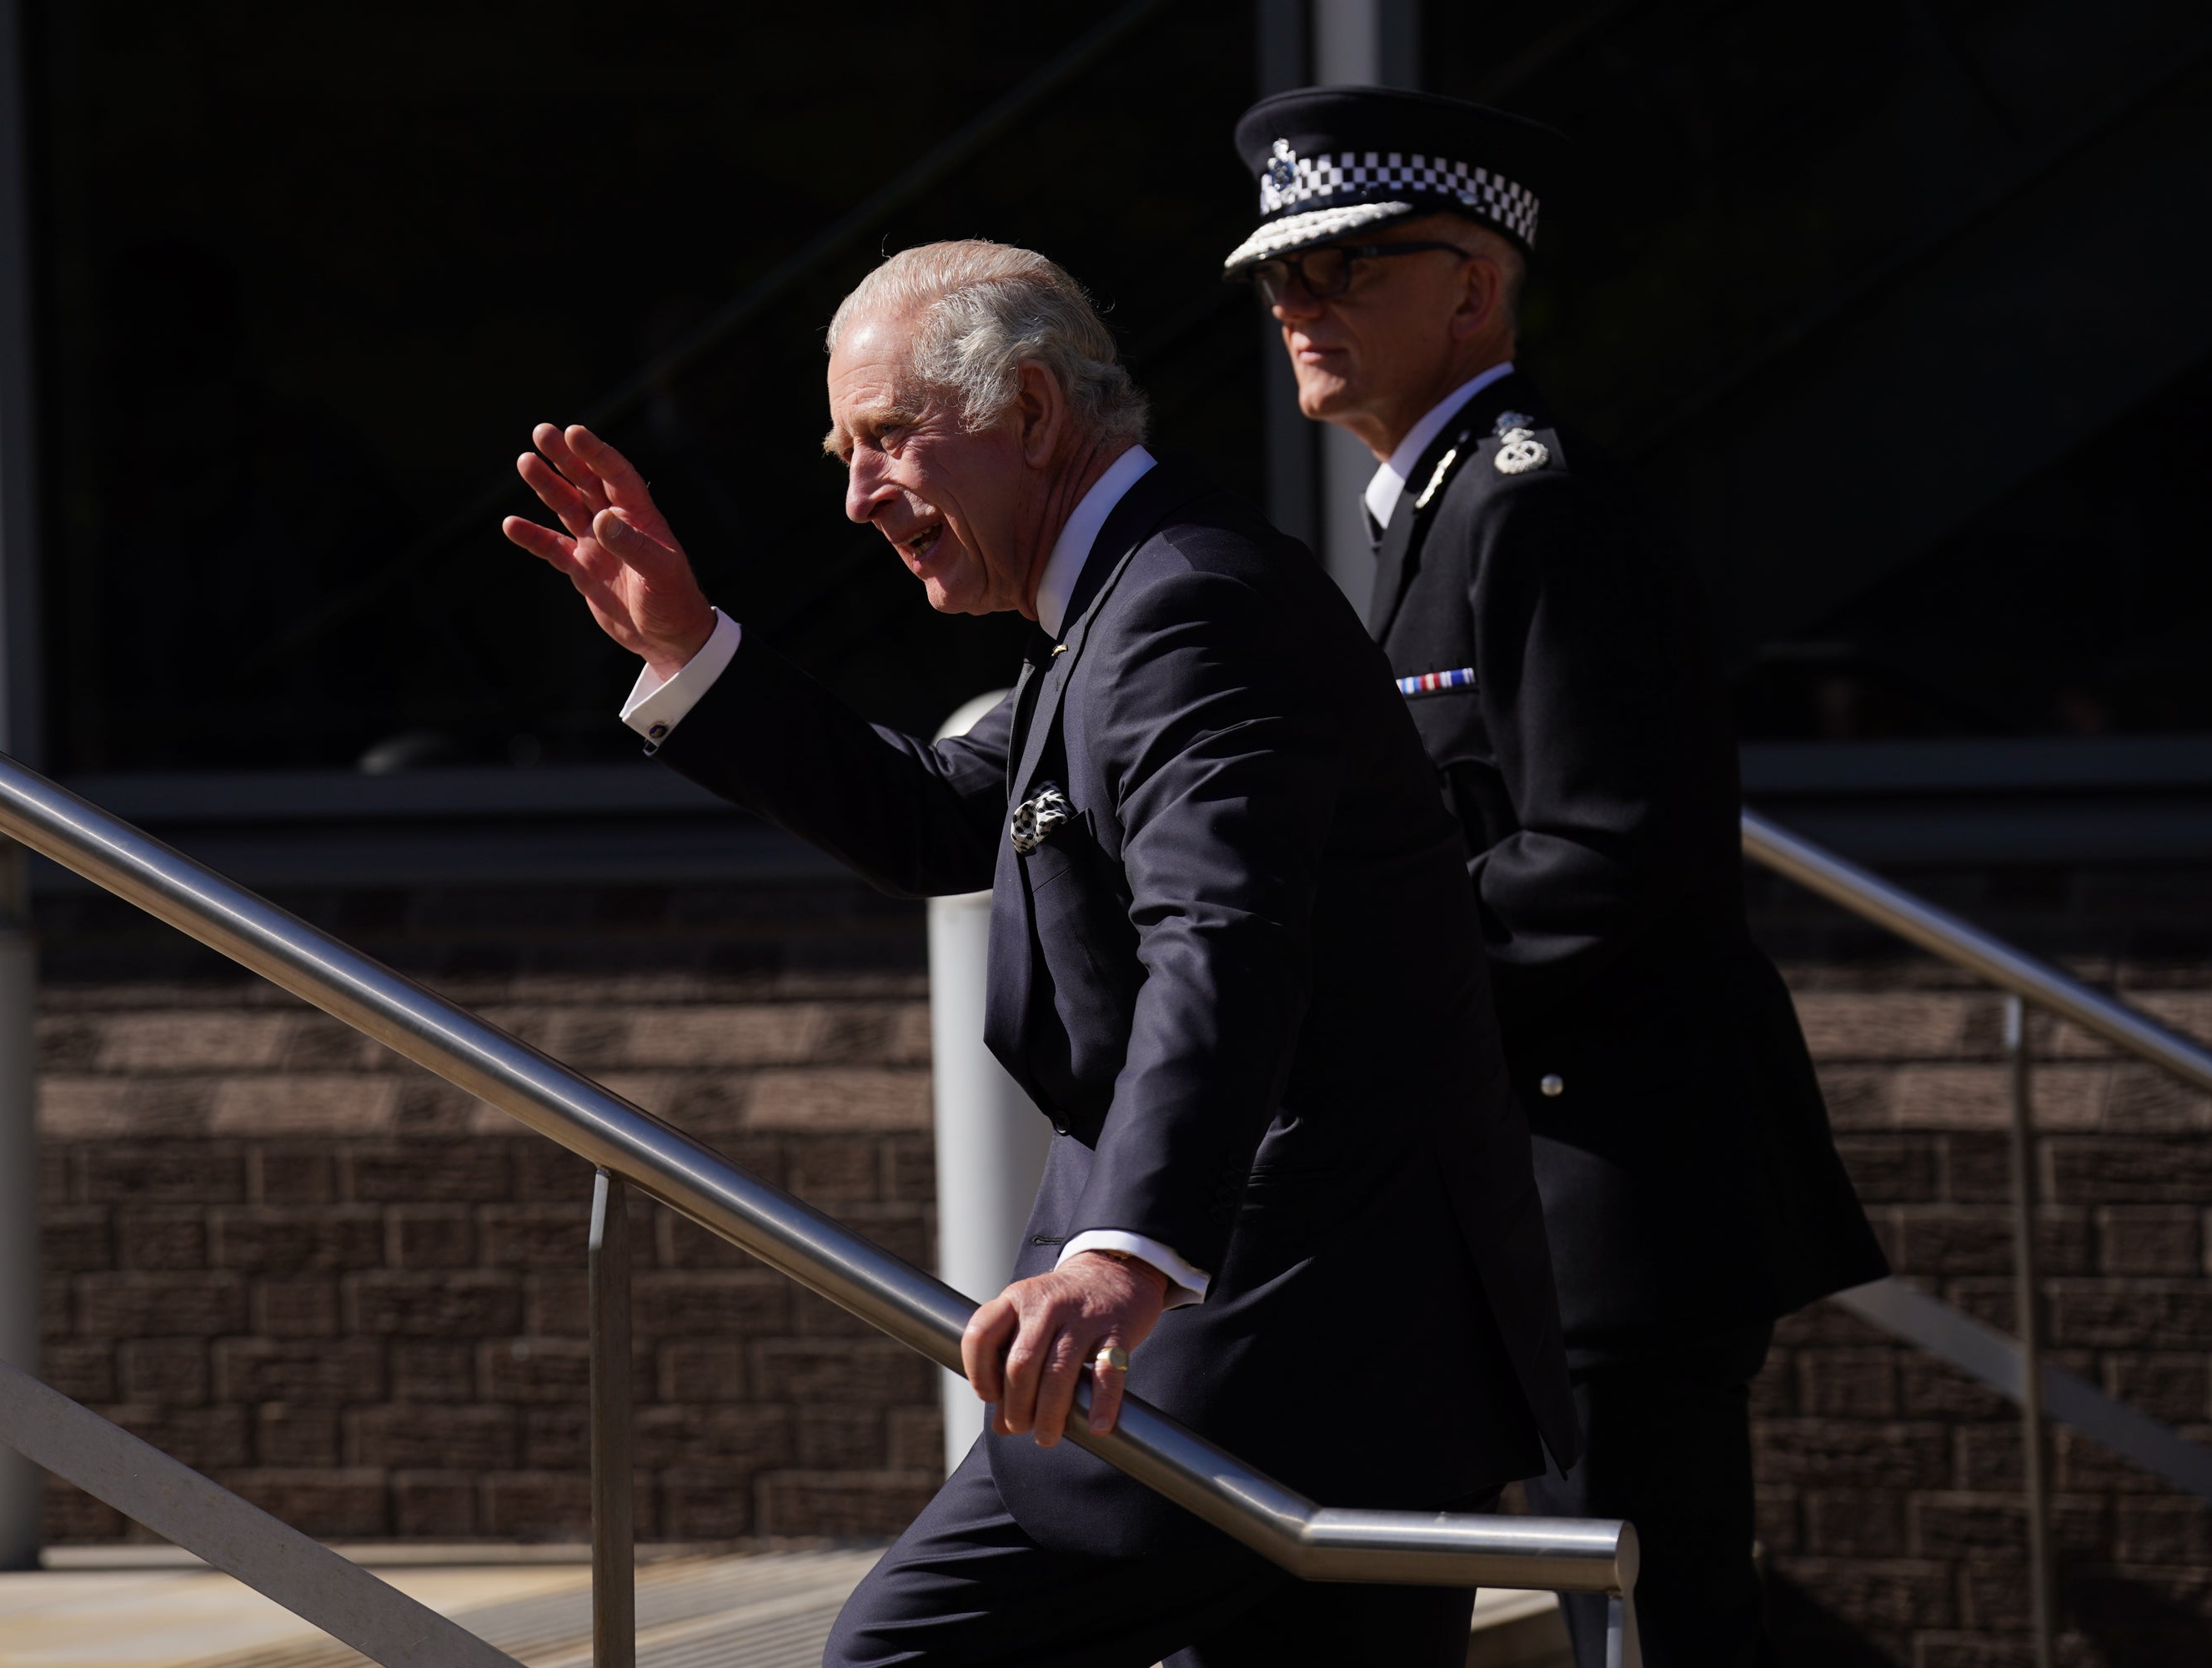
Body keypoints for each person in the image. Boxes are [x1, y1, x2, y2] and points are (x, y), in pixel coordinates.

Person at [504, 240, 1577, 1666]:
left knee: (899, 1656)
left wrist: (1122, 1257)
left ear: (1028, 410)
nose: (856, 493)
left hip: (1269, 1346)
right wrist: (691, 649)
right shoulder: (1127, 598)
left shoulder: (1186, 608)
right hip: (1323, 1355)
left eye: (889, 438)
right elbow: (945, 817)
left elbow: (1224, 937)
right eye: (843, 448)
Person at [1225, 88, 1891, 1668]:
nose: (1301, 309)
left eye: (1350, 269)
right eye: (1280, 280)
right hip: (1543, 1186)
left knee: (1650, 1626)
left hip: (1619, 1189)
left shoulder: (1536, 503)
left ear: (1477, 284)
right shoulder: (1442, 511)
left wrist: (1359, 976)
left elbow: (1608, 850)